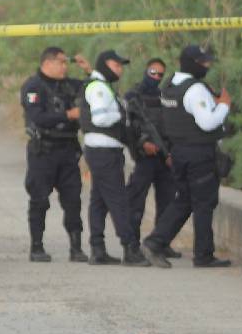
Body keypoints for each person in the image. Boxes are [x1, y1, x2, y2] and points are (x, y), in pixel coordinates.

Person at [143, 45, 234, 268]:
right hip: (198, 154)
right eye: (203, 62)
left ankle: (154, 243)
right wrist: (224, 106)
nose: (207, 65)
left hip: (180, 152)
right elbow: (207, 122)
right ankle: (204, 255)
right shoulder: (195, 90)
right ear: (192, 63)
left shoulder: (170, 85)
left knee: (184, 200)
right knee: (203, 203)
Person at [78, 50, 151, 266]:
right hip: (104, 151)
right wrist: (121, 114)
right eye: (115, 65)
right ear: (104, 65)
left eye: (121, 66)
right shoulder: (99, 88)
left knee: (99, 201)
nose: (119, 69)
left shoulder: (102, 85)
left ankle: (97, 249)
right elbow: (100, 118)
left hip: (102, 150)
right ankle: (130, 249)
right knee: (118, 200)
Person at [20, 47, 92, 262]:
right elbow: (37, 117)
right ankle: (36, 247)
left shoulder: (70, 84)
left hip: (68, 150)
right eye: (61, 62)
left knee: (73, 201)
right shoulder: (33, 86)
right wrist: (68, 114)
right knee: (39, 200)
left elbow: (96, 90)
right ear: (47, 63)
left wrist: (89, 72)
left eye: (66, 62)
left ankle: (76, 248)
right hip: (43, 151)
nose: (65, 66)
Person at [124, 59, 181, 258]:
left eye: (159, 74)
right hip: (145, 157)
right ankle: (132, 244)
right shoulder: (133, 96)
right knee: (136, 200)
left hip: (165, 157)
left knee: (167, 201)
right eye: (153, 73)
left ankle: (161, 243)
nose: (156, 77)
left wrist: (171, 153)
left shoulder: (164, 95)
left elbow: (171, 125)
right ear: (146, 70)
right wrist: (142, 144)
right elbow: (129, 128)